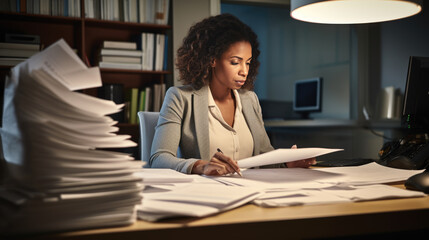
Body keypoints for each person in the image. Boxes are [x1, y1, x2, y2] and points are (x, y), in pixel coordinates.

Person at [149, 13, 316, 176]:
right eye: (235, 62)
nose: (244, 71)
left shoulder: (250, 99)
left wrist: (287, 162)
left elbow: (264, 154)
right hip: (210, 194)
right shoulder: (180, 97)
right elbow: (159, 158)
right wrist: (201, 166)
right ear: (212, 60)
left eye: (248, 63)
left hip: (254, 191)